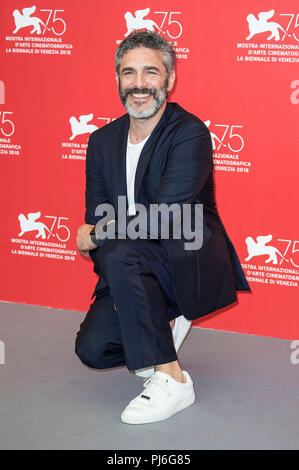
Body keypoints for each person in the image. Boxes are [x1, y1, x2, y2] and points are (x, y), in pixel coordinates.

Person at [75, 30, 251, 425]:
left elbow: (166, 214)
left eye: (150, 73)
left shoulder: (189, 132)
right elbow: (98, 213)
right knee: (93, 348)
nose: (139, 84)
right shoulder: (101, 141)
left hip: (186, 256)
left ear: (169, 80)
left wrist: (97, 235)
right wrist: (117, 278)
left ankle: (173, 380)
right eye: (128, 73)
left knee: (118, 245)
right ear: (117, 79)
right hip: (130, 262)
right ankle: (156, 320)